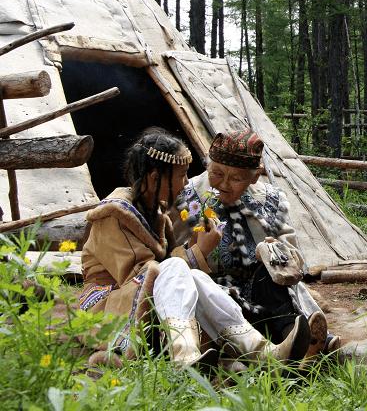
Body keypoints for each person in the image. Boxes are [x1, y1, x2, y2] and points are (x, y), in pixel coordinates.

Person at [78, 127, 311, 368]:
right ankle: (184, 354)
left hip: (140, 302)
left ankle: (261, 352)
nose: (186, 183)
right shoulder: (114, 215)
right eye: (180, 175)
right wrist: (198, 252)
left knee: (195, 275)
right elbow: (141, 275)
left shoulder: (157, 216)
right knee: (181, 266)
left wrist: (194, 245)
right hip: (104, 311)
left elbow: (167, 274)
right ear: (156, 178)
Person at [172, 128, 339, 362]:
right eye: (217, 173)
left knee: (269, 280)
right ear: (207, 165)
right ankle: (305, 348)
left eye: (237, 178)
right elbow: (172, 264)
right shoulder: (184, 198)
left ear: (255, 176)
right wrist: (202, 249)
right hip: (212, 293)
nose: (223, 184)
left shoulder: (271, 199)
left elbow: (295, 261)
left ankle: (299, 342)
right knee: (218, 300)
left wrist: (276, 254)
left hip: (263, 294)